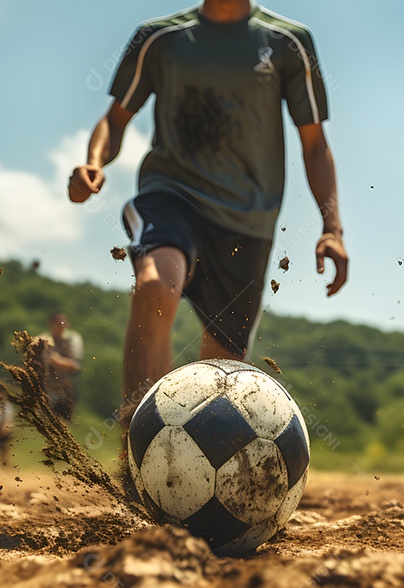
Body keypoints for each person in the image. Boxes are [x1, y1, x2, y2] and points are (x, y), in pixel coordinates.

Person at [68, 0, 348, 434]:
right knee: (155, 287)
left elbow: (314, 144)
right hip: (171, 196)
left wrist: (332, 227)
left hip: (247, 222)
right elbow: (115, 119)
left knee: (222, 374)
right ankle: (136, 451)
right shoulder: (158, 38)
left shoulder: (289, 43)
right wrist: (94, 162)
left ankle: (189, 469)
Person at [42, 312, 84, 422]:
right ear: (51, 323)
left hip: (66, 389)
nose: (62, 325)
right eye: (59, 322)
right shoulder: (44, 339)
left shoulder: (72, 339)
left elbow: (75, 365)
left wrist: (57, 360)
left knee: (63, 423)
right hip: (48, 388)